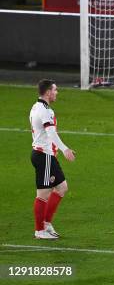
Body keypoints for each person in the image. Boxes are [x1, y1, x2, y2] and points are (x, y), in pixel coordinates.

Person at [29, 79, 76, 239]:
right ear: (48, 92)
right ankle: (39, 230)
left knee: (62, 187)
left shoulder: (36, 107)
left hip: (44, 155)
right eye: (55, 90)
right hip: (44, 156)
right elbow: (51, 133)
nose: (57, 93)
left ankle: (47, 224)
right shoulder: (45, 111)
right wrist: (65, 149)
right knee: (43, 194)